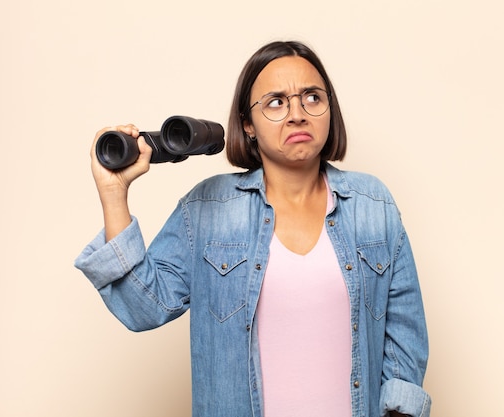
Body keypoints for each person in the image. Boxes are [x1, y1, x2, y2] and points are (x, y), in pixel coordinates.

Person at [75, 40, 431, 417]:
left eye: (312, 97)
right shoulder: (208, 209)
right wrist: (115, 197)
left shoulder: (373, 204)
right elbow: (142, 308)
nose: (297, 114)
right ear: (248, 124)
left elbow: (404, 335)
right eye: (276, 102)